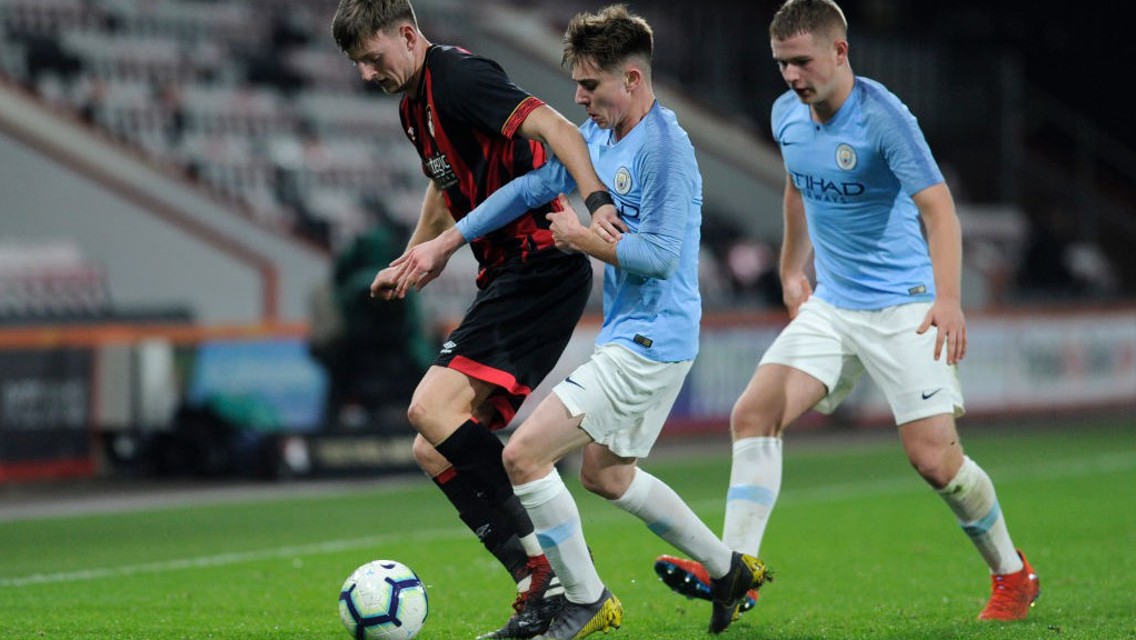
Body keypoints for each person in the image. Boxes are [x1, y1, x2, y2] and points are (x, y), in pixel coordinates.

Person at [653, 0, 1041, 625]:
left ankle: (1013, 574)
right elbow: (796, 188)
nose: (792, 77)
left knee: (934, 460)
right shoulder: (786, 115)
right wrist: (789, 266)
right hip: (834, 304)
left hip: (905, 306)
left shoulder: (885, 118)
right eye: (782, 64)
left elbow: (938, 208)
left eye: (802, 62)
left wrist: (948, 299)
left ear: (840, 52)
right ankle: (737, 571)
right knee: (754, 413)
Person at [389, 5, 771, 638]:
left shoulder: (666, 148)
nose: (579, 97)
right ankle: (727, 570)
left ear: (632, 78)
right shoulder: (600, 138)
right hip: (635, 337)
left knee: (526, 455)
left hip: (654, 339)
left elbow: (661, 257)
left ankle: (585, 600)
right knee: (607, 474)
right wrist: (445, 241)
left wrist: (582, 238)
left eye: (591, 86)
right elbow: (528, 190)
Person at [330, 2, 621, 637]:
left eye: (373, 59)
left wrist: (595, 201)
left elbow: (560, 132)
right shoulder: (416, 106)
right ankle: (534, 587)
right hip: (509, 276)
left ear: (407, 36)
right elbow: (444, 181)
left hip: (541, 265)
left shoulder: (458, 76)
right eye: (359, 66)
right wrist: (415, 256)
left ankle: (551, 568)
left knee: (429, 410)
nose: (367, 75)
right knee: (432, 449)